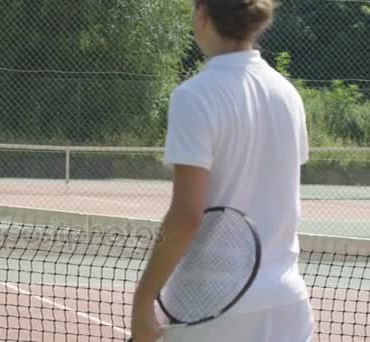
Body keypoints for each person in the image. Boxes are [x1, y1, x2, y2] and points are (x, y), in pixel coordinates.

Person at [130, 0, 313, 341]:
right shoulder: (289, 95)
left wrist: (142, 302)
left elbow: (187, 215)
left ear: (202, 17)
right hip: (288, 306)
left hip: (209, 314)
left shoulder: (193, 96)